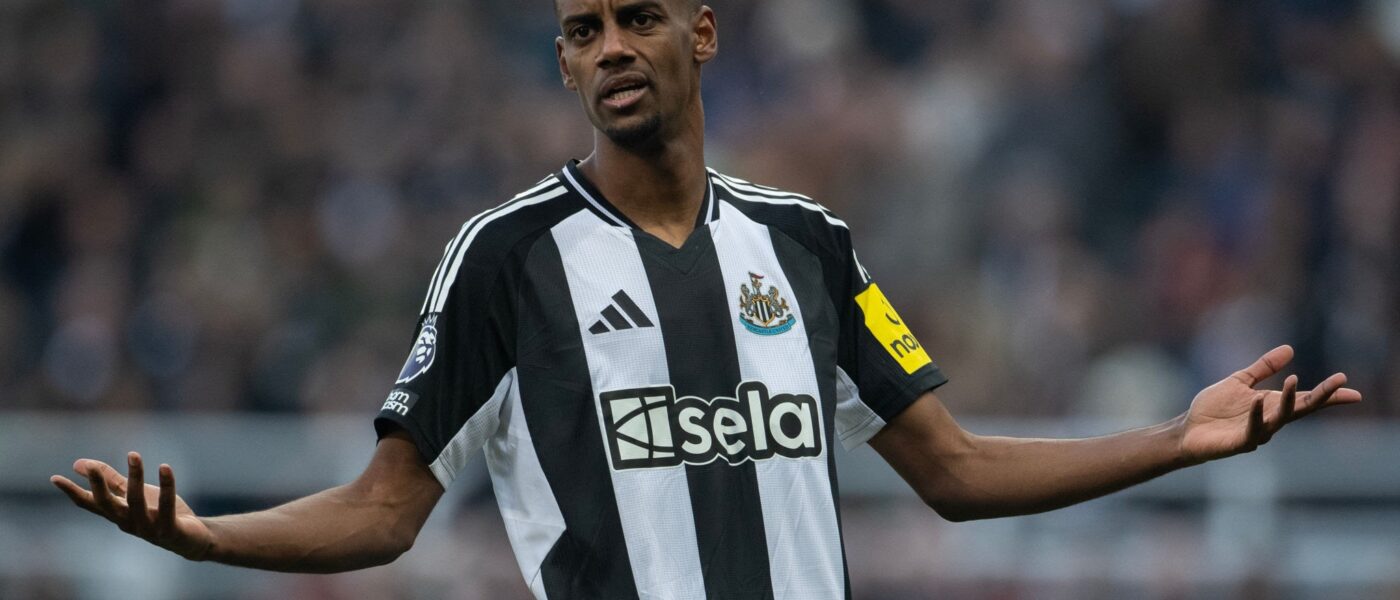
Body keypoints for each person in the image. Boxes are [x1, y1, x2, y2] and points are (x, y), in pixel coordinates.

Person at [52, 1, 1363, 598]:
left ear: (705, 32)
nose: (612, 47)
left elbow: (955, 472)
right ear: (564, 64)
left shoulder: (808, 245)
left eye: (637, 17)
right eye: (583, 31)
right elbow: (386, 510)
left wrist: (1176, 441)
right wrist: (215, 541)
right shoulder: (504, 257)